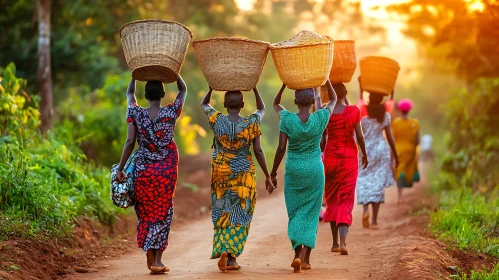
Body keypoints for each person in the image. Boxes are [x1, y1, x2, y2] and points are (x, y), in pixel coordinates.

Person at [116, 76, 187, 274]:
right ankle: (157, 260)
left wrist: (133, 75)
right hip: (166, 171)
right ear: (163, 95)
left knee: (146, 211)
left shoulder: (135, 112)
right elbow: (183, 90)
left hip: (143, 171)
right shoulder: (171, 112)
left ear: (145, 95)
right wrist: (175, 72)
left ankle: (149, 243)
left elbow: (130, 142)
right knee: (163, 211)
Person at [201, 87, 273, 272]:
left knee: (223, 211)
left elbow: (204, 104)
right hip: (243, 174)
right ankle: (231, 255)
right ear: (242, 105)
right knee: (241, 213)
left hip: (221, 172)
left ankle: (225, 250)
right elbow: (258, 149)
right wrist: (256, 88)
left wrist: (210, 88)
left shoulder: (217, 120)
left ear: (224, 105)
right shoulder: (251, 122)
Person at [270, 81, 337, 272]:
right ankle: (305, 258)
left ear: (295, 101)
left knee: (295, 212)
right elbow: (333, 99)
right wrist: (327, 80)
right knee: (312, 212)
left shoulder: (288, 119)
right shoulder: (320, 118)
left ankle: (296, 254)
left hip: (294, 169)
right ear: (311, 102)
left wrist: (273, 173)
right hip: (314, 169)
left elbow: (281, 147)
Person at [322, 83, 368, 255]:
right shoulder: (354, 111)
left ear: (329, 94)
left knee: (332, 198)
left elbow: (321, 140)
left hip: (331, 159)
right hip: (349, 159)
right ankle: (343, 242)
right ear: (346, 93)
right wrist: (364, 154)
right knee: (346, 199)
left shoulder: (325, 113)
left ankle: (334, 242)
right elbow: (360, 136)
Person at [356, 90, 398, 230]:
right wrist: (396, 156)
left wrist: (361, 88)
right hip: (381, 150)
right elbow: (390, 138)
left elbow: (358, 137)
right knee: (378, 183)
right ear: (381, 101)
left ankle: (365, 210)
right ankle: (374, 221)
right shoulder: (385, 116)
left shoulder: (363, 118)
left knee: (364, 180)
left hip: (366, 150)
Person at [392, 98, 420, 203]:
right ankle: (403, 186)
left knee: (399, 169)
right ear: (409, 110)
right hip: (410, 150)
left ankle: (400, 195)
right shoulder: (415, 122)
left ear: (400, 110)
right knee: (406, 169)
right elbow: (417, 140)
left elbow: (393, 138)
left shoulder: (395, 122)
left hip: (398, 150)